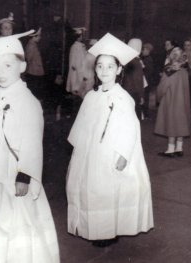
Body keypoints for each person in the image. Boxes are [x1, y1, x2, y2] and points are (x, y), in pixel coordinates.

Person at [0, 30, 60, 263]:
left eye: (7, 65)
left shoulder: (27, 102)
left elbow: (31, 140)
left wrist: (25, 174)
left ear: (21, 67)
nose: (0, 72)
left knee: (20, 224)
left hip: (16, 173)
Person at [66, 33, 154, 247]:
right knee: (91, 190)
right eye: (100, 66)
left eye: (110, 67)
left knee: (106, 191)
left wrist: (123, 154)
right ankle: (93, 228)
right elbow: (82, 124)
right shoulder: (91, 96)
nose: (104, 71)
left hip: (110, 152)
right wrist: (77, 149)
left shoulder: (122, 98)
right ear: (95, 69)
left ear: (119, 70)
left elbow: (131, 128)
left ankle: (108, 231)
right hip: (90, 152)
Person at [154, 47, 191, 157]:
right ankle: (179, 148)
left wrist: (158, 98)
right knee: (180, 123)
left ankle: (170, 150)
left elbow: (162, 88)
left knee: (171, 124)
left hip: (170, 101)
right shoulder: (184, 72)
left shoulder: (169, 71)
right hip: (183, 102)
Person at [122, 38, 144, 119]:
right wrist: (141, 95)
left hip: (125, 90)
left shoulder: (125, 59)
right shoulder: (136, 62)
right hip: (134, 92)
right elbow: (138, 80)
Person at [25, 28, 45, 101]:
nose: (40, 37)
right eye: (39, 36)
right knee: (36, 97)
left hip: (36, 73)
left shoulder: (34, 45)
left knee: (38, 96)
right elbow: (28, 60)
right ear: (34, 36)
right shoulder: (31, 46)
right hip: (33, 74)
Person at [141, 42, 155, 119]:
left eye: (144, 49)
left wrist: (143, 68)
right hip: (147, 81)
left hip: (146, 82)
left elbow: (149, 71)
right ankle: (145, 113)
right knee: (145, 97)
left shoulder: (148, 59)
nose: (142, 51)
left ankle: (145, 114)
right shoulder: (146, 59)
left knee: (145, 98)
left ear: (148, 50)